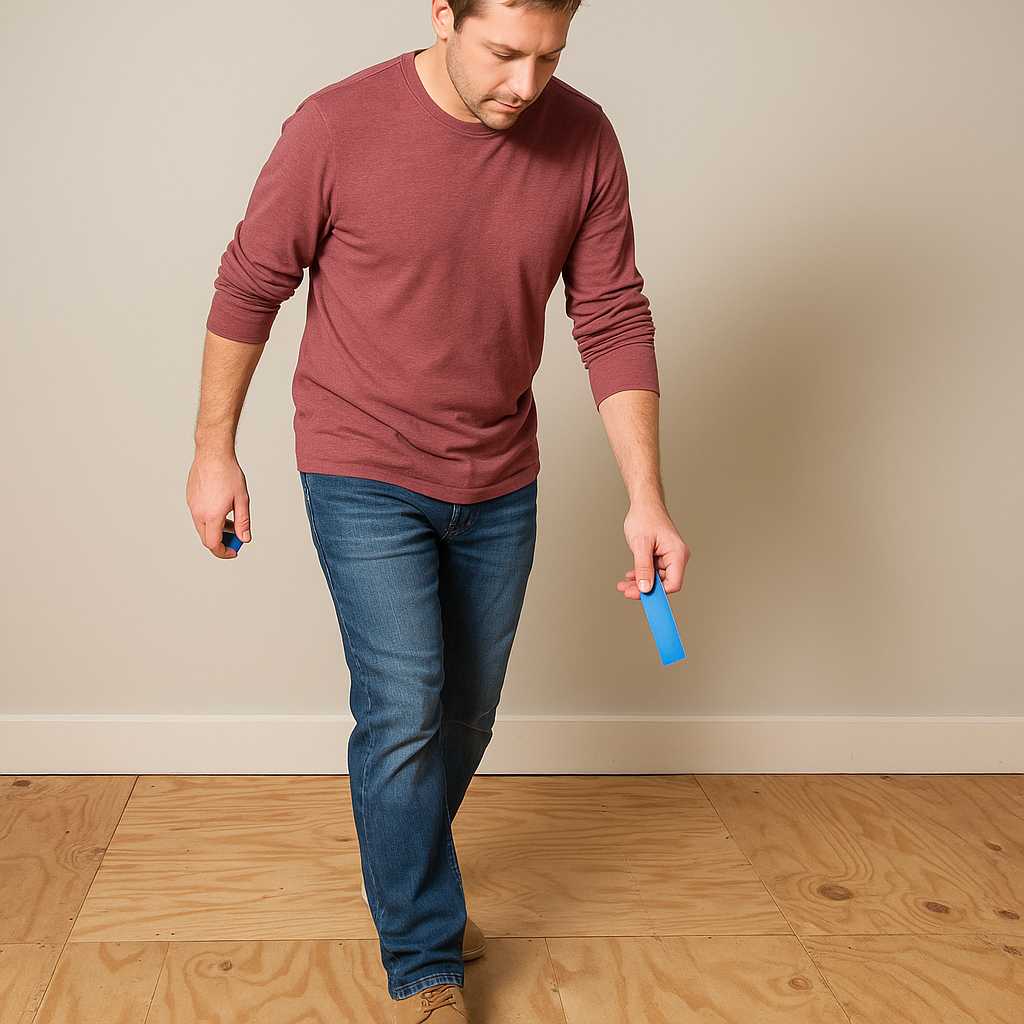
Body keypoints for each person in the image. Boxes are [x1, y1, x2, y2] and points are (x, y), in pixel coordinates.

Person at [186, 1, 689, 1020]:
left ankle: (406, 866)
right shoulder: (335, 127)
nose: (527, 83)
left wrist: (646, 495)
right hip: (359, 461)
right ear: (442, 13)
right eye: (504, 52)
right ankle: (423, 959)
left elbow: (611, 312)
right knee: (405, 705)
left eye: (549, 56)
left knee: (464, 715)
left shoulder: (584, 137)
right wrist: (212, 449)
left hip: (500, 473)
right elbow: (251, 283)